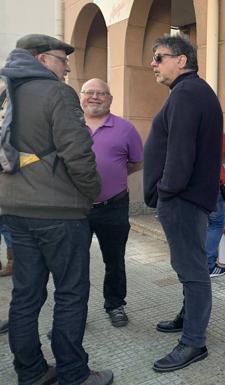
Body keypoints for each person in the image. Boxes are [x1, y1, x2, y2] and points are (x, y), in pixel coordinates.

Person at [0, 34, 113, 385]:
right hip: (58, 213)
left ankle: (31, 372)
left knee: (26, 295)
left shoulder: (6, 93)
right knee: (71, 292)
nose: (66, 69)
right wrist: (91, 192)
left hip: (14, 211)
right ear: (40, 57)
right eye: (62, 60)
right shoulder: (57, 93)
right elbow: (78, 153)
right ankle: (74, 374)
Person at [143, 34, 223, 373]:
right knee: (187, 266)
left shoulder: (187, 93)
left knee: (192, 270)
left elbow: (180, 152)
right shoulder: (190, 92)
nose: (153, 64)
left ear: (182, 60)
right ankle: (188, 316)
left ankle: (194, 342)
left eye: (159, 57)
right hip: (185, 198)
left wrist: (166, 190)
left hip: (183, 200)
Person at [79, 78, 144, 327]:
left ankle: (115, 305)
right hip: (76, 208)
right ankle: (74, 312)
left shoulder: (125, 129)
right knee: (74, 263)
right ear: (81, 96)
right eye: (90, 92)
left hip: (113, 206)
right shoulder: (68, 126)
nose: (95, 97)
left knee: (114, 260)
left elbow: (136, 162)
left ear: (110, 99)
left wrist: (115, 177)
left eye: (101, 93)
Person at [206, 134, 225, 278]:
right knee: (216, 224)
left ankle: (199, 264)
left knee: (202, 225)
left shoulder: (184, 131)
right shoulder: (209, 129)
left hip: (192, 187)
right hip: (212, 184)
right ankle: (208, 266)